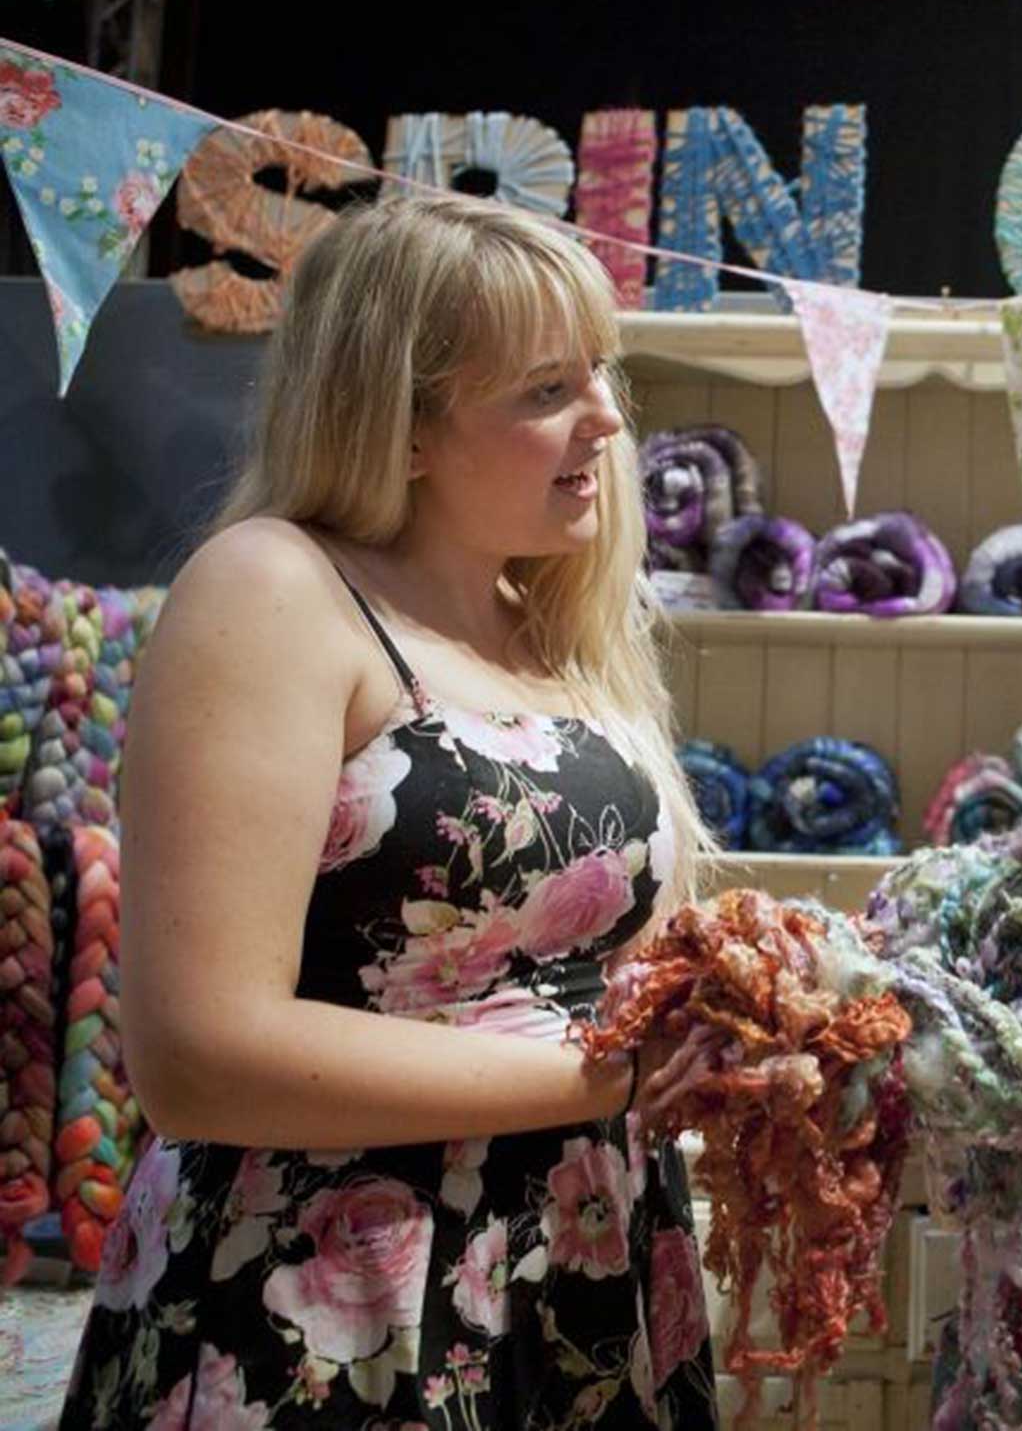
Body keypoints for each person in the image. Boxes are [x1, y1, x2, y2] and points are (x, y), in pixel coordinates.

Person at [62, 194, 720, 1430]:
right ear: (403, 425)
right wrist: (599, 1078)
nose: (609, 420)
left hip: (584, 1278)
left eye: (601, 374)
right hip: (338, 1306)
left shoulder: (551, 631)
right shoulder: (275, 589)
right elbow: (198, 1059)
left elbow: (622, 978)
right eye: (544, 391)